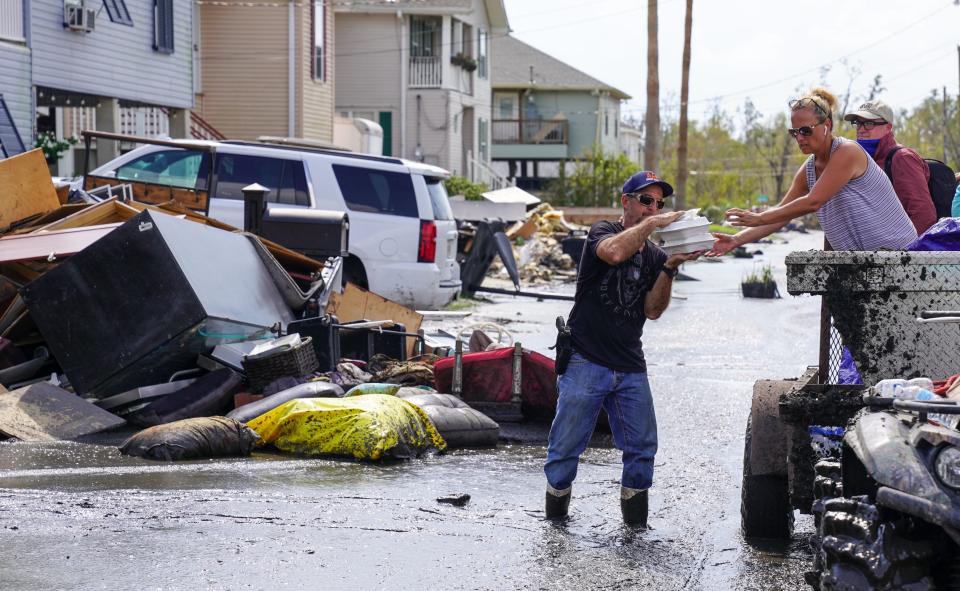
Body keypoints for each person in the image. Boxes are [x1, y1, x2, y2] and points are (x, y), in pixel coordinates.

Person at [544, 171, 704, 526]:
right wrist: (654, 225)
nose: (653, 208)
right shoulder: (602, 231)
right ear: (626, 201)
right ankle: (555, 524)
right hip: (586, 357)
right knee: (566, 448)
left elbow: (653, 310)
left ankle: (635, 528)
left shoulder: (654, 255)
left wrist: (670, 267)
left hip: (629, 363)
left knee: (642, 448)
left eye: (659, 204)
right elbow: (614, 253)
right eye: (646, 201)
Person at [710, 88, 917, 254]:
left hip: (899, 257)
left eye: (806, 131)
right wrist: (736, 240)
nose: (800, 138)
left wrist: (760, 218)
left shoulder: (848, 152)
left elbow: (813, 201)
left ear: (826, 125)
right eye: (794, 132)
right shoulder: (808, 169)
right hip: (863, 264)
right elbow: (781, 214)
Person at [843, 99, 936, 234]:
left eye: (869, 123)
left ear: (888, 127)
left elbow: (923, 213)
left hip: (899, 250)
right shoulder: (865, 159)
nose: (861, 129)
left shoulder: (902, 158)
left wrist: (906, 253)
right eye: (858, 123)